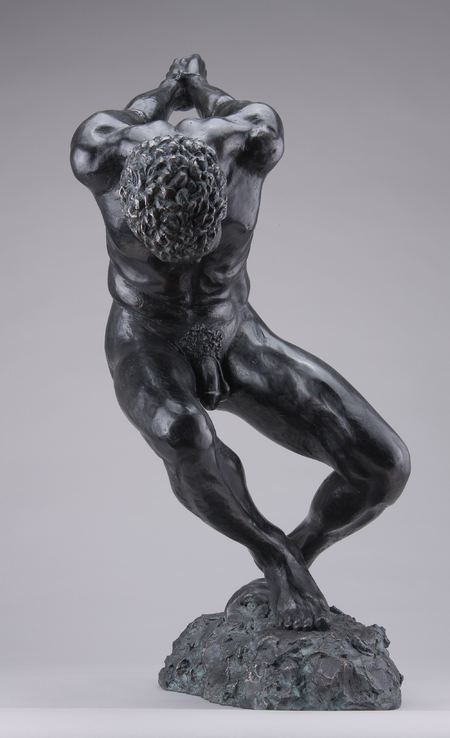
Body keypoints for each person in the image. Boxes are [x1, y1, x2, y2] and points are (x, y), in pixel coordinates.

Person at [71, 55, 410, 631]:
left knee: (384, 467)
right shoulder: (101, 152)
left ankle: (301, 553)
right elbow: (133, 116)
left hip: (233, 330)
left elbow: (231, 109)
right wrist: (167, 90)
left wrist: (199, 88)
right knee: (182, 433)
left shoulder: (251, 140)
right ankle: (274, 555)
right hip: (147, 337)